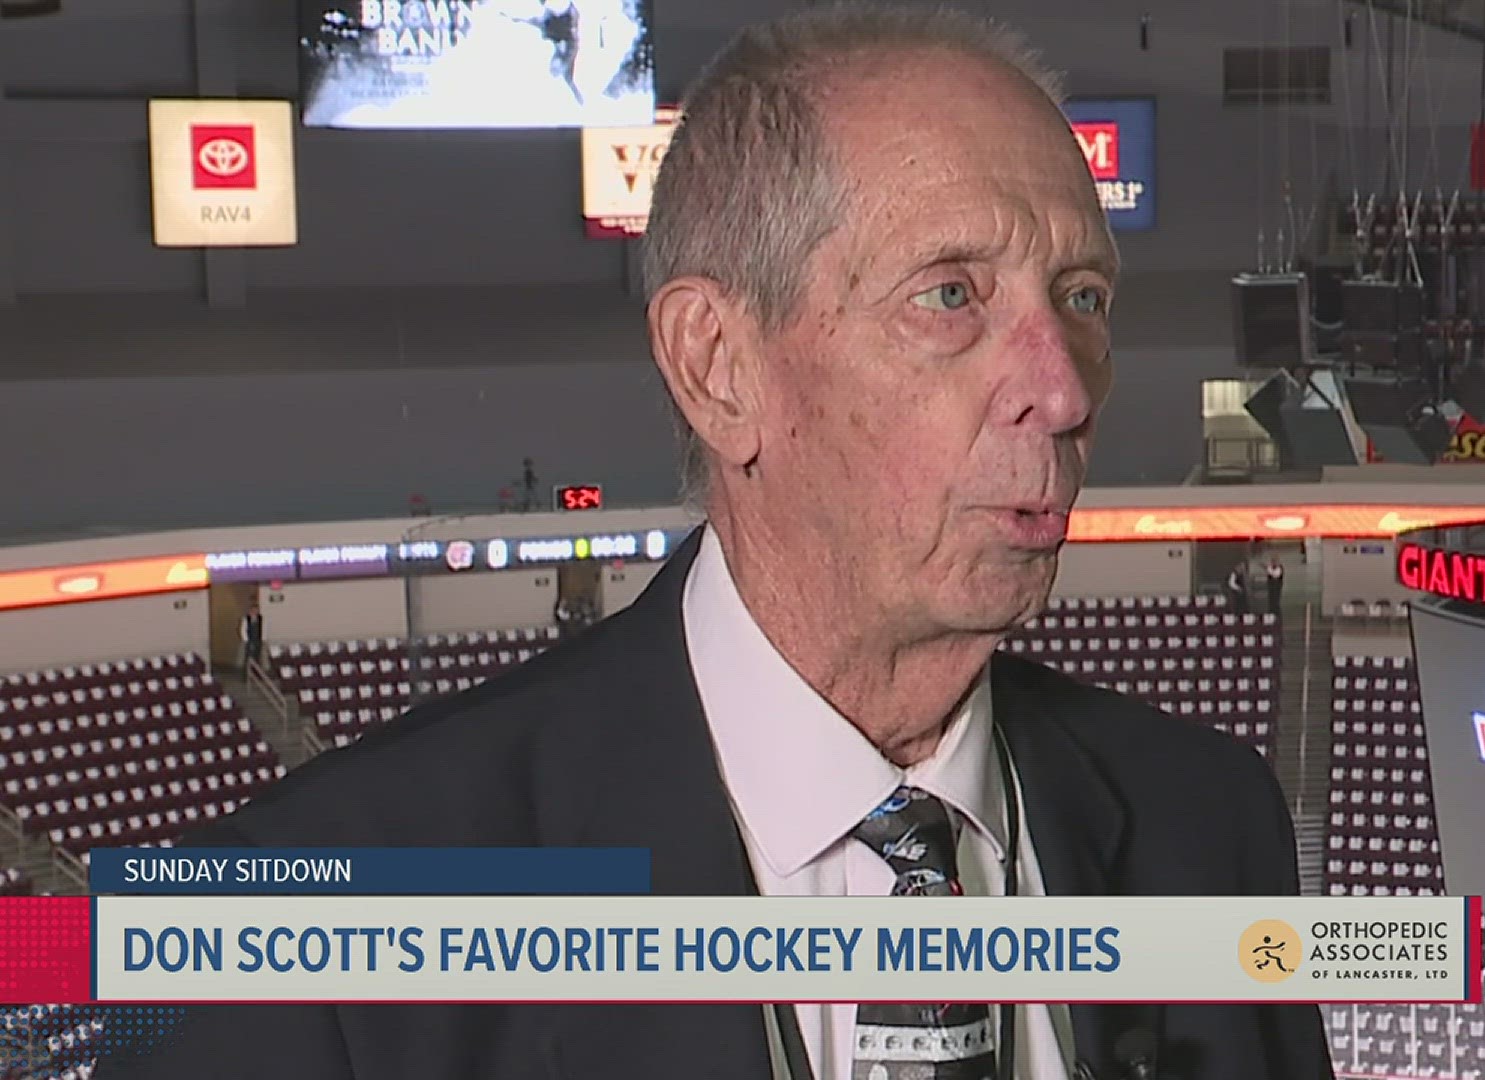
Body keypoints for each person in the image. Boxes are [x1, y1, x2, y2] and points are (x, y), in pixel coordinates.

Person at [95, 8, 1331, 1080]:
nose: (1062, 392)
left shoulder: (1204, 824)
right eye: (949, 296)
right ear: (717, 367)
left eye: (1084, 298)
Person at [238, 602, 264, 672]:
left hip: (258, 640)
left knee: (257, 657)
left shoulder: (261, 618)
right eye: (254, 610)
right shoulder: (246, 619)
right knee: (249, 658)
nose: (256, 611)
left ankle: (256, 674)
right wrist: (246, 640)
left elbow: (263, 628)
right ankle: (247, 675)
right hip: (250, 640)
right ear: (251, 610)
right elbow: (243, 630)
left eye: (257, 610)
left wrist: (263, 639)